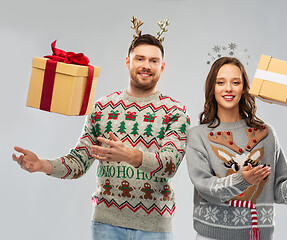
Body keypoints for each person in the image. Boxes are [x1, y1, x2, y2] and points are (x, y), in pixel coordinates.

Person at [12, 27, 190, 239]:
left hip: (154, 228)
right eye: (140, 59)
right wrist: (42, 165)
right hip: (106, 225)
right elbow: (79, 161)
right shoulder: (102, 108)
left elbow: (170, 164)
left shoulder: (175, 111)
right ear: (128, 62)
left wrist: (131, 156)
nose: (146, 66)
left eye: (153, 61)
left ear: (162, 66)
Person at [185, 57, 287, 240]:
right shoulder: (198, 135)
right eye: (220, 82)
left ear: (244, 88)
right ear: (212, 88)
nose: (228, 88)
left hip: (257, 235)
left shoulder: (266, 134)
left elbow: (279, 192)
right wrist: (242, 179)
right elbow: (206, 189)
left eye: (236, 82)